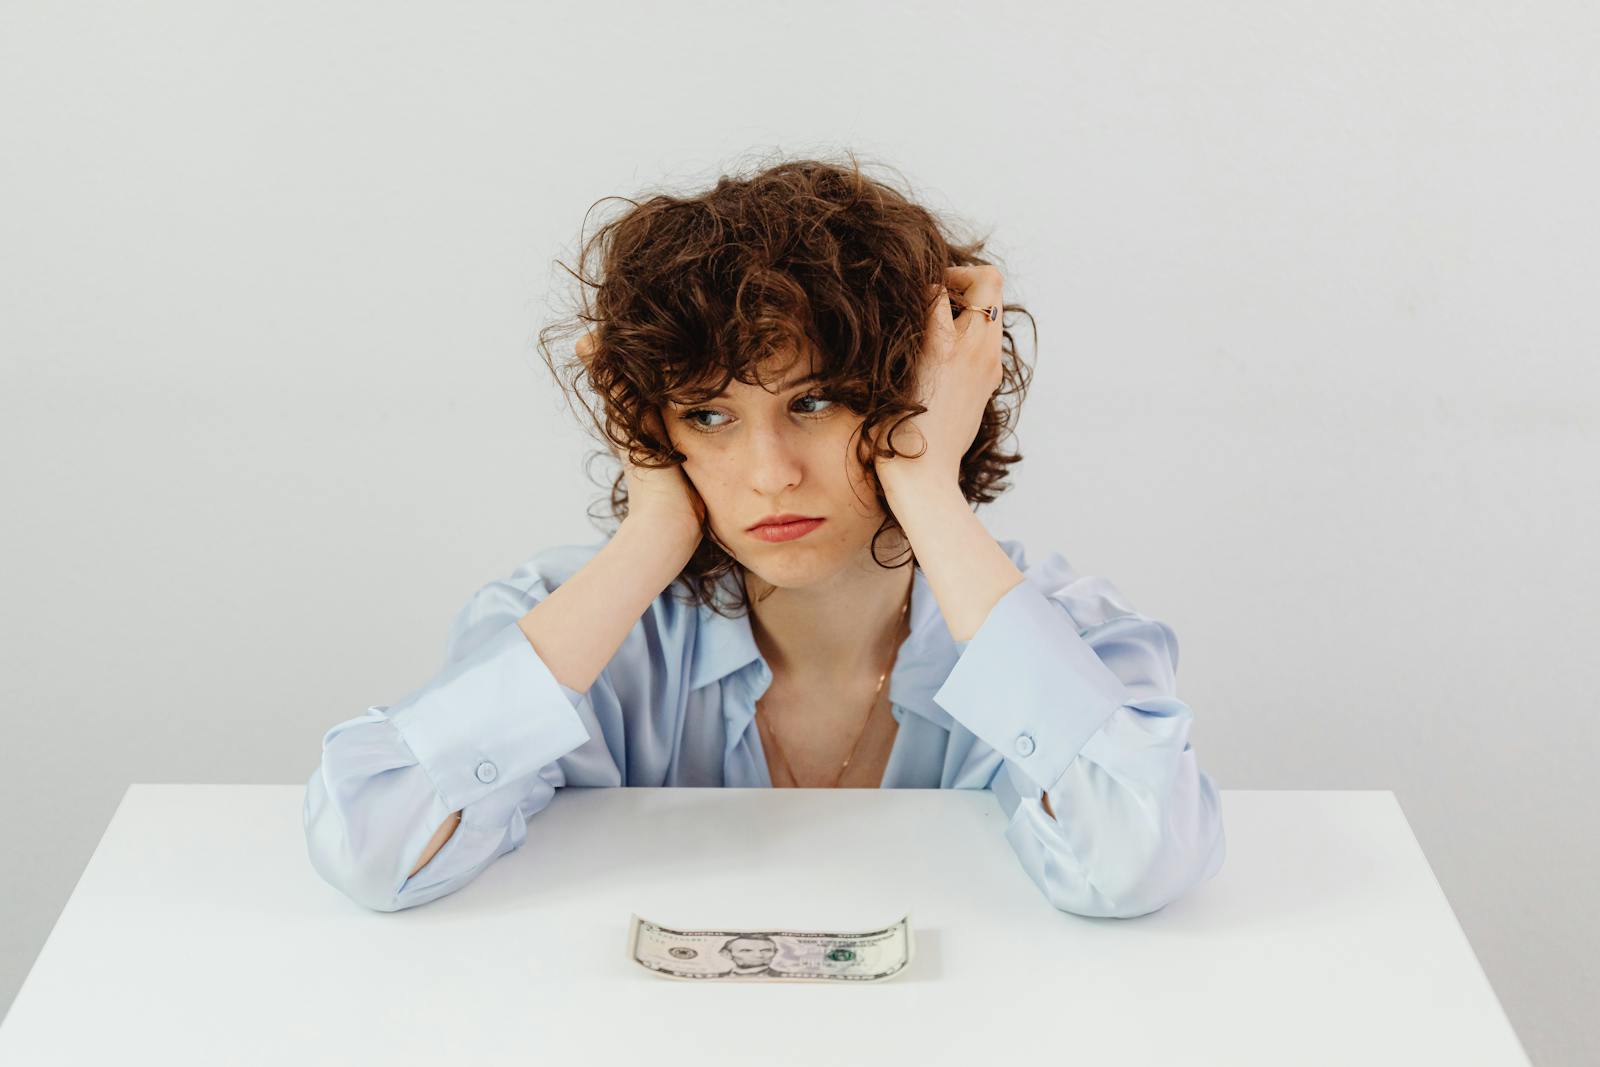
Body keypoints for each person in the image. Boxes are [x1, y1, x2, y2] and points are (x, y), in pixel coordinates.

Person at [302, 152, 1226, 918]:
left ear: (926, 396)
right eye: (707, 415)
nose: (769, 471)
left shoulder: (1065, 635)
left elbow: (1136, 859)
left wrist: (925, 483)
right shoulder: (576, 628)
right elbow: (374, 849)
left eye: (814, 401)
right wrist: (652, 531)